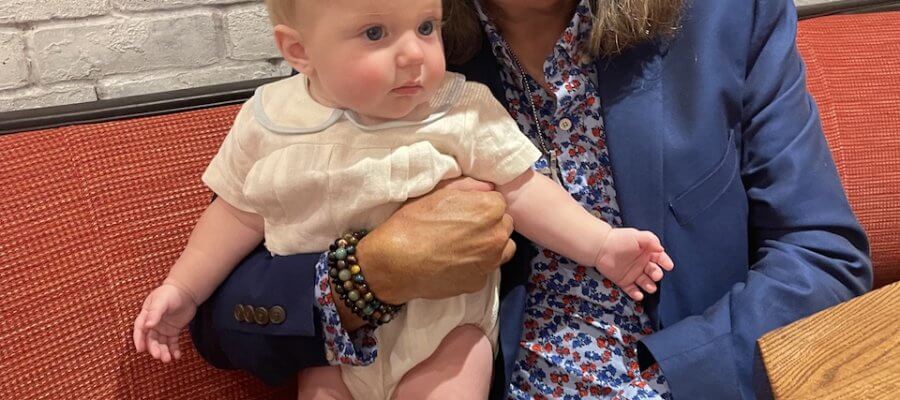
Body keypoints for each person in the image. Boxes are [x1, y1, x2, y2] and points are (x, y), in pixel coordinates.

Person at [181, 0, 872, 398]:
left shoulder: (727, 15)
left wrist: (674, 377)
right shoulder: (385, 39)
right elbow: (223, 321)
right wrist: (371, 273)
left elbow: (822, 255)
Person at [131, 0, 679, 398]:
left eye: (425, 26)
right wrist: (183, 286)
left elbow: (522, 187)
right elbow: (236, 211)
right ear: (298, 51)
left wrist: (602, 244)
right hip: (332, 349)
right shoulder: (271, 120)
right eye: (375, 33)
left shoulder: (459, 109)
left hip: (445, 334)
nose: (414, 55)